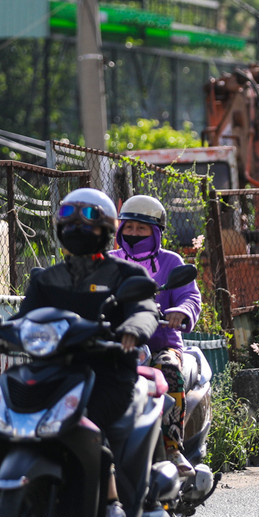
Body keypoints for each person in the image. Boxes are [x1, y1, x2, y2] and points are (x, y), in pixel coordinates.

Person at [0, 187, 159, 517]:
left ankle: (110, 504)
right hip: (53, 371)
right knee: (6, 403)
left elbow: (144, 308)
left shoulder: (125, 274)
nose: (78, 225)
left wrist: (134, 330)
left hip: (106, 373)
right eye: (69, 217)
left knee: (88, 419)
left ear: (107, 227)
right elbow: (25, 319)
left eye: (89, 217)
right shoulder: (46, 278)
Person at [109, 194, 203, 477]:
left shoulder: (171, 262)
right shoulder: (108, 263)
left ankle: (172, 447)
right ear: (119, 229)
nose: (134, 233)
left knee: (170, 370)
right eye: (129, 227)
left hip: (162, 343)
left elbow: (190, 296)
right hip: (116, 344)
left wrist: (180, 312)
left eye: (142, 228)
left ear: (156, 232)